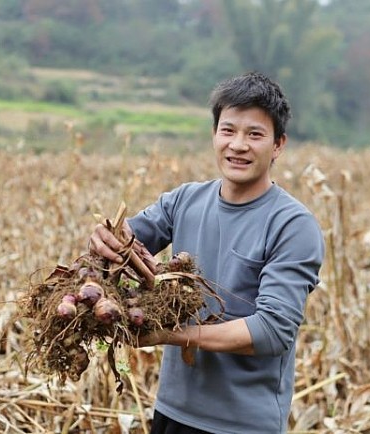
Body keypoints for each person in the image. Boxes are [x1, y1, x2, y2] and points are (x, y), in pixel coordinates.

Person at [89, 71, 325, 434]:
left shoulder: (293, 225)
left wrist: (172, 334)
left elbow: (273, 331)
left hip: (242, 424)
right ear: (215, 135)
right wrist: (105, 241)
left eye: (255, 134)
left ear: (278, 145)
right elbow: (128, 237)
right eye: (228, 131)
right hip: (172, 410)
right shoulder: (184, 201)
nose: (238, 145)